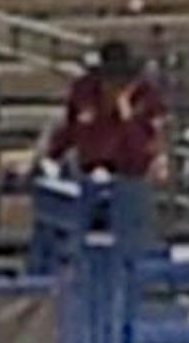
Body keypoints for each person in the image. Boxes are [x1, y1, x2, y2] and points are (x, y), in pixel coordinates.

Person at [43, 39, 166, 249]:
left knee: (129, 236)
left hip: (130, 179)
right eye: (110, 76)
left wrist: (126, 111)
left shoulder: (145, 97)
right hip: (87, 176)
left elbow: (143, 145)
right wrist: (50, 157)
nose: (114, 83)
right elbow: (70, 130)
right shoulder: (84, 92)